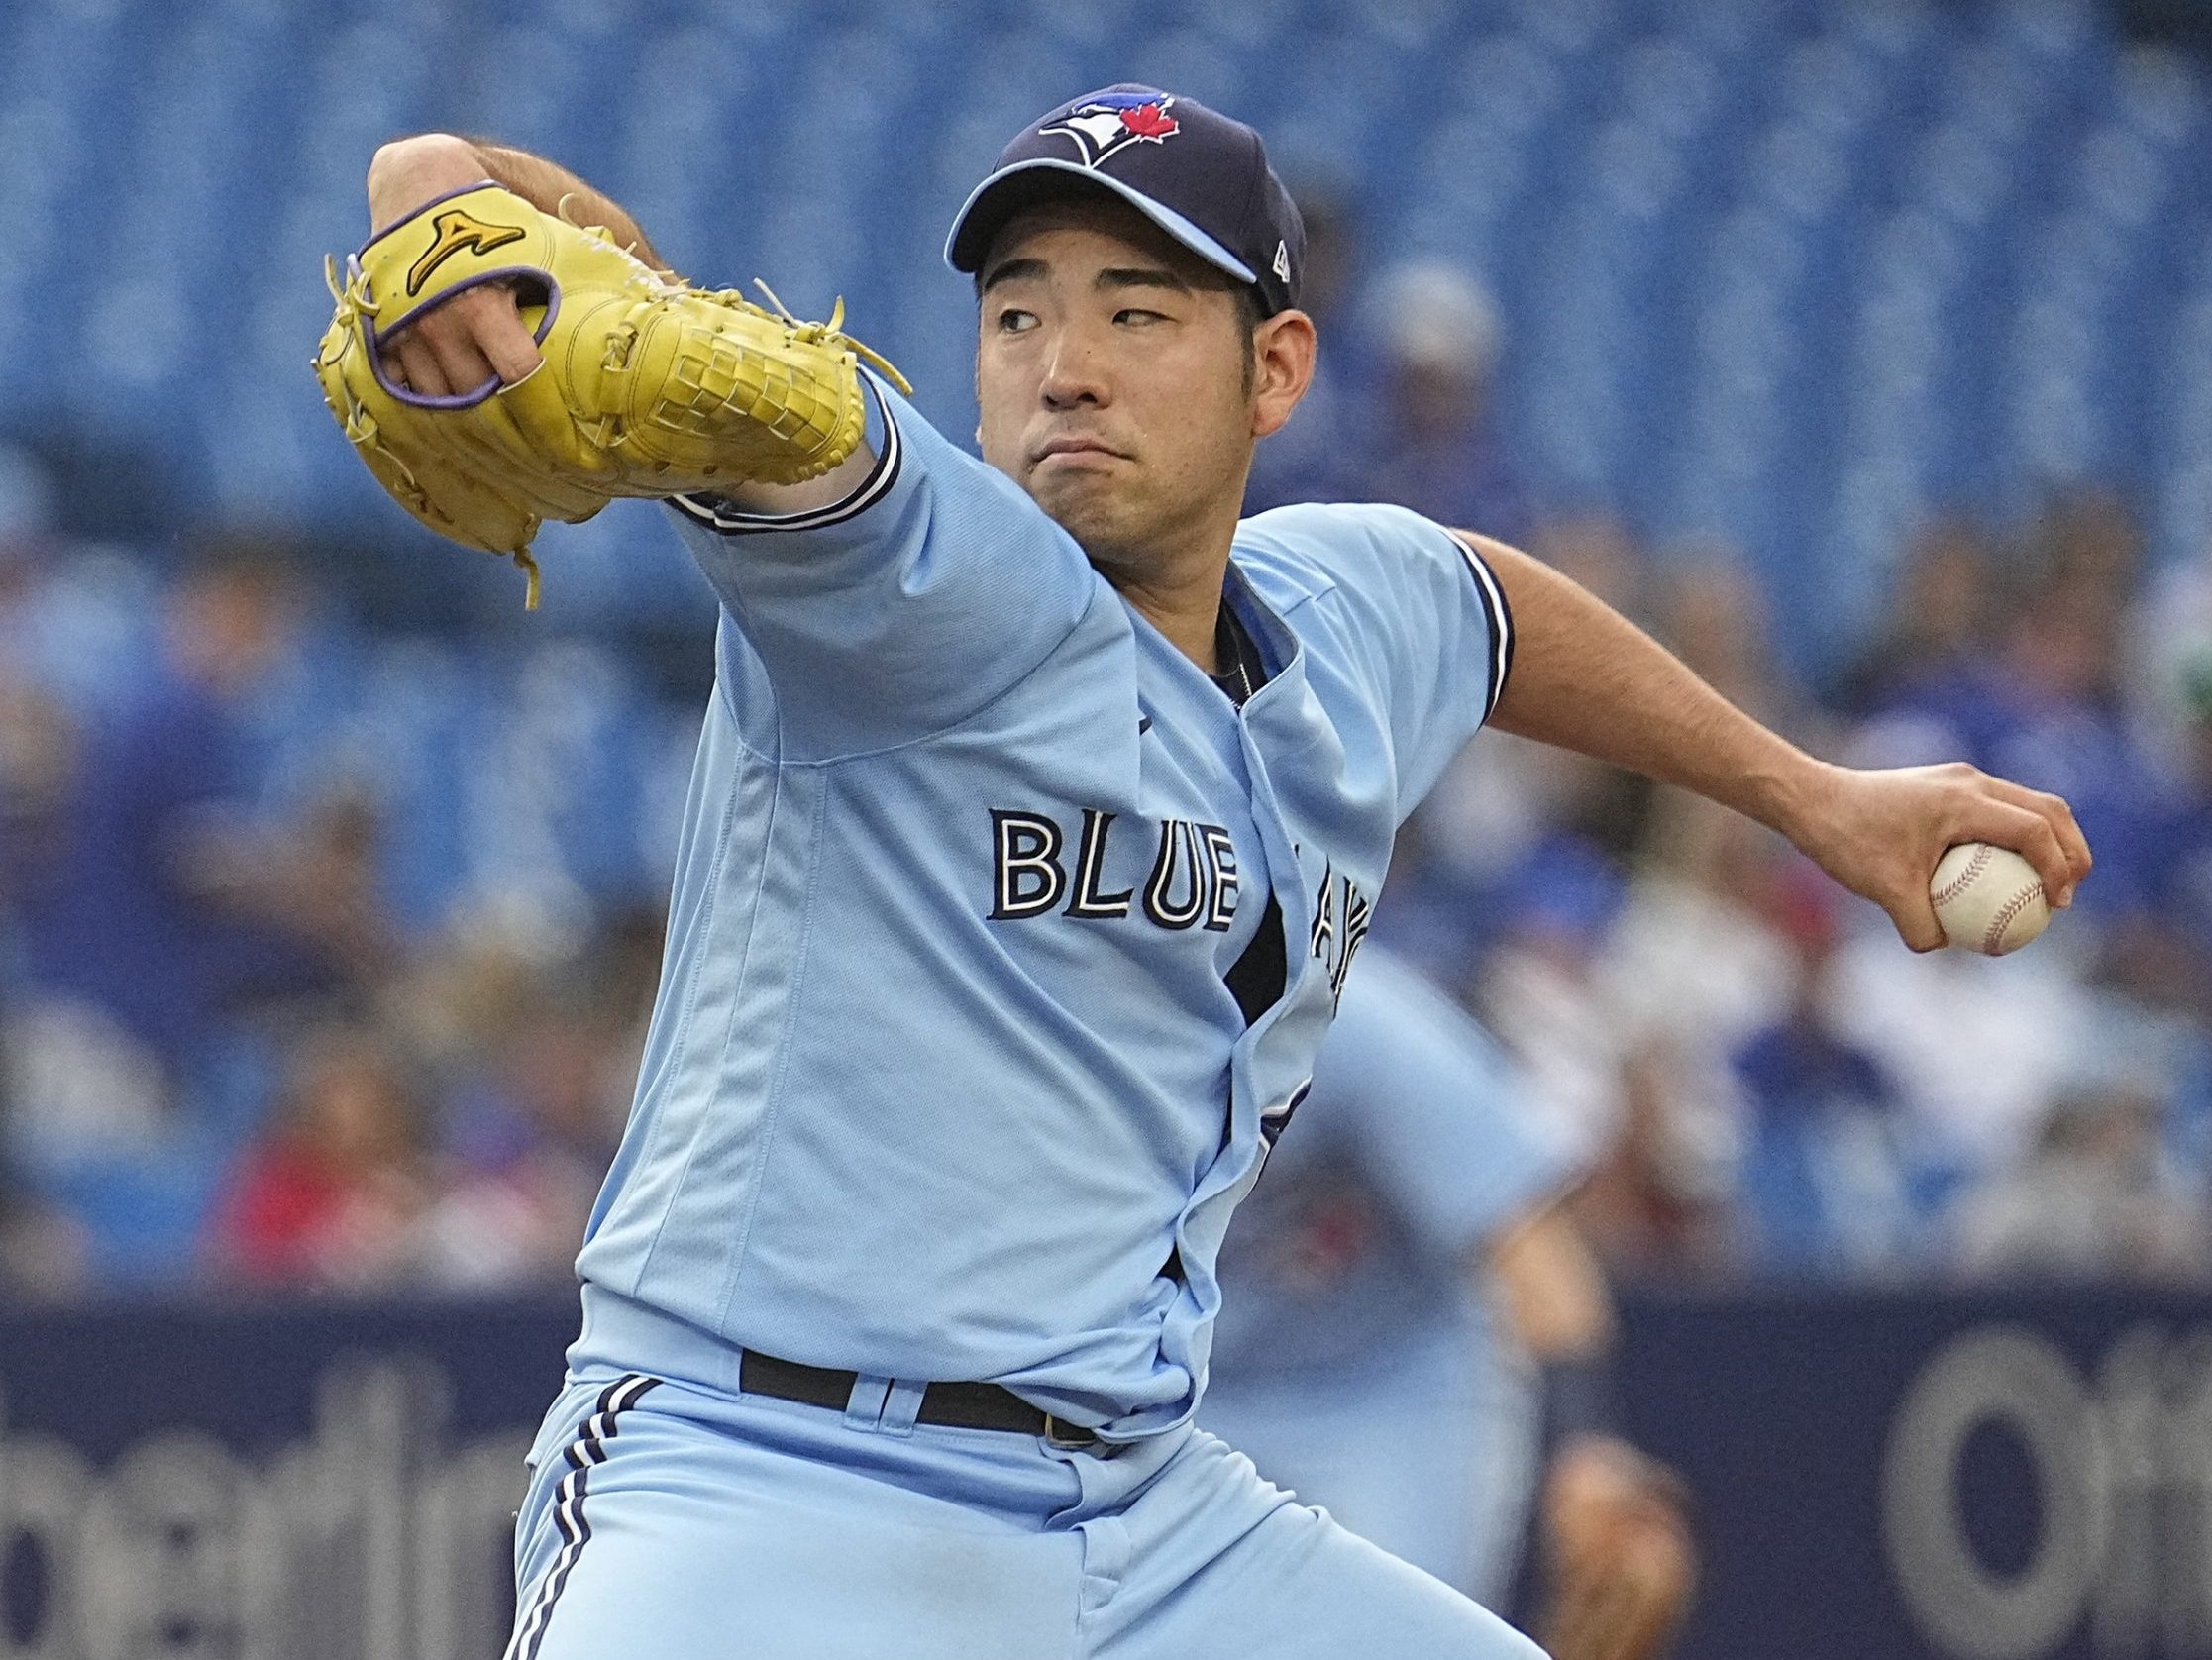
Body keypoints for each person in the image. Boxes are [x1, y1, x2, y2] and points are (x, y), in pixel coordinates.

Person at [357, 83, 2089, 1660]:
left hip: (1129, 1519)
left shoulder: (1345, 621)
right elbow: (702, 367)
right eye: (1018, 310)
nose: (1064, 363)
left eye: (1136, 310)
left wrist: (1812, 797)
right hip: (758, 1482)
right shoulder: (909, 578)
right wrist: (437, 192)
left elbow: (1482, 612)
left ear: (1276, 371)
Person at [1204, 949, 1693, 1656]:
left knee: (1409, 1642)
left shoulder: (1354, 1019)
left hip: (1382, 1388)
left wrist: (1584, 1445)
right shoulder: (1070, 1034)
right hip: (1183, 1391)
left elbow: (1529, 1246)